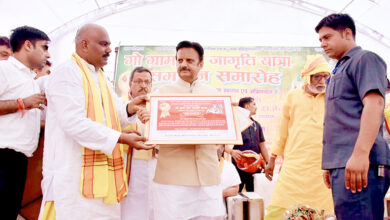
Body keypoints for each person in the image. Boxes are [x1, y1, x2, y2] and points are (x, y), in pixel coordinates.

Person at [38, 24, 152, 220]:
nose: (109, 50)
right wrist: (120, 138)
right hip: (73, 175)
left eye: (109, 44)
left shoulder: (100, 77)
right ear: (84, 45)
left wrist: (131, 107)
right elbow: (74, 122)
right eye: (103, 44)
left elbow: (115, 115)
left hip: (103, 179)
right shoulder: (66, 73)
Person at [316, 13, 390, 219]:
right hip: (343, 163)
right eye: (320, 40)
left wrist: (359, 155)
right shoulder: (338, 69)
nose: (322, 44)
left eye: (327, 37)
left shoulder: (365, 59)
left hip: (361, 162)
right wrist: (332, 164)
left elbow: (374, 104)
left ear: (347, 33)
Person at [140, 40, 226, 219]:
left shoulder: (215, 95)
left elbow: (222, 134)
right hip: (173, 180)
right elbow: (150, 136)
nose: (183, 65)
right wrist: (147, 122)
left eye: (189, 60)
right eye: (179, 61)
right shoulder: (161, 95)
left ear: (201, 63)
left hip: (207, 176)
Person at [264, 54, 334, 219]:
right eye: (317, 76)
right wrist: (272, 158)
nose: (322, 81)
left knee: (324, 211)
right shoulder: (293, 96)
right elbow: (282, 130)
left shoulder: (333, 97)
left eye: (325, 76)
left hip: (324, 166)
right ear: (306, 77)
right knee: (280, 207)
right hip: (295, 165)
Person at [0, 26, 50, 219]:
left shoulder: (30, 79)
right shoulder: (4, 68)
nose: (47, 53)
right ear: (28, 45)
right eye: (44, 47)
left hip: (19, 159)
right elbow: (22, 105)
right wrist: (23, 103)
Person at [121, 66, 157, 220]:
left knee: (154, 206)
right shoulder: (121, 107)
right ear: (130, 84)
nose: (143, 85)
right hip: (129, 166)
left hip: (155, 165)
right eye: (138, 81)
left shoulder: (159, 107)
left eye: (147, 82)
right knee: (130, 208)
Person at [229, 97, 269, 192]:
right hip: (239, 165)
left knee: (254, 194)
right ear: (247, 106)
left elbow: (262, 145)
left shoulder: (256, 124)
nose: (256, 107)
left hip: (255, 166)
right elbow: (223, 143)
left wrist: (267, 162)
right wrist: (231, 152)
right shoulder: (235, 122)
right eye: (254, 104)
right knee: (235, 194)